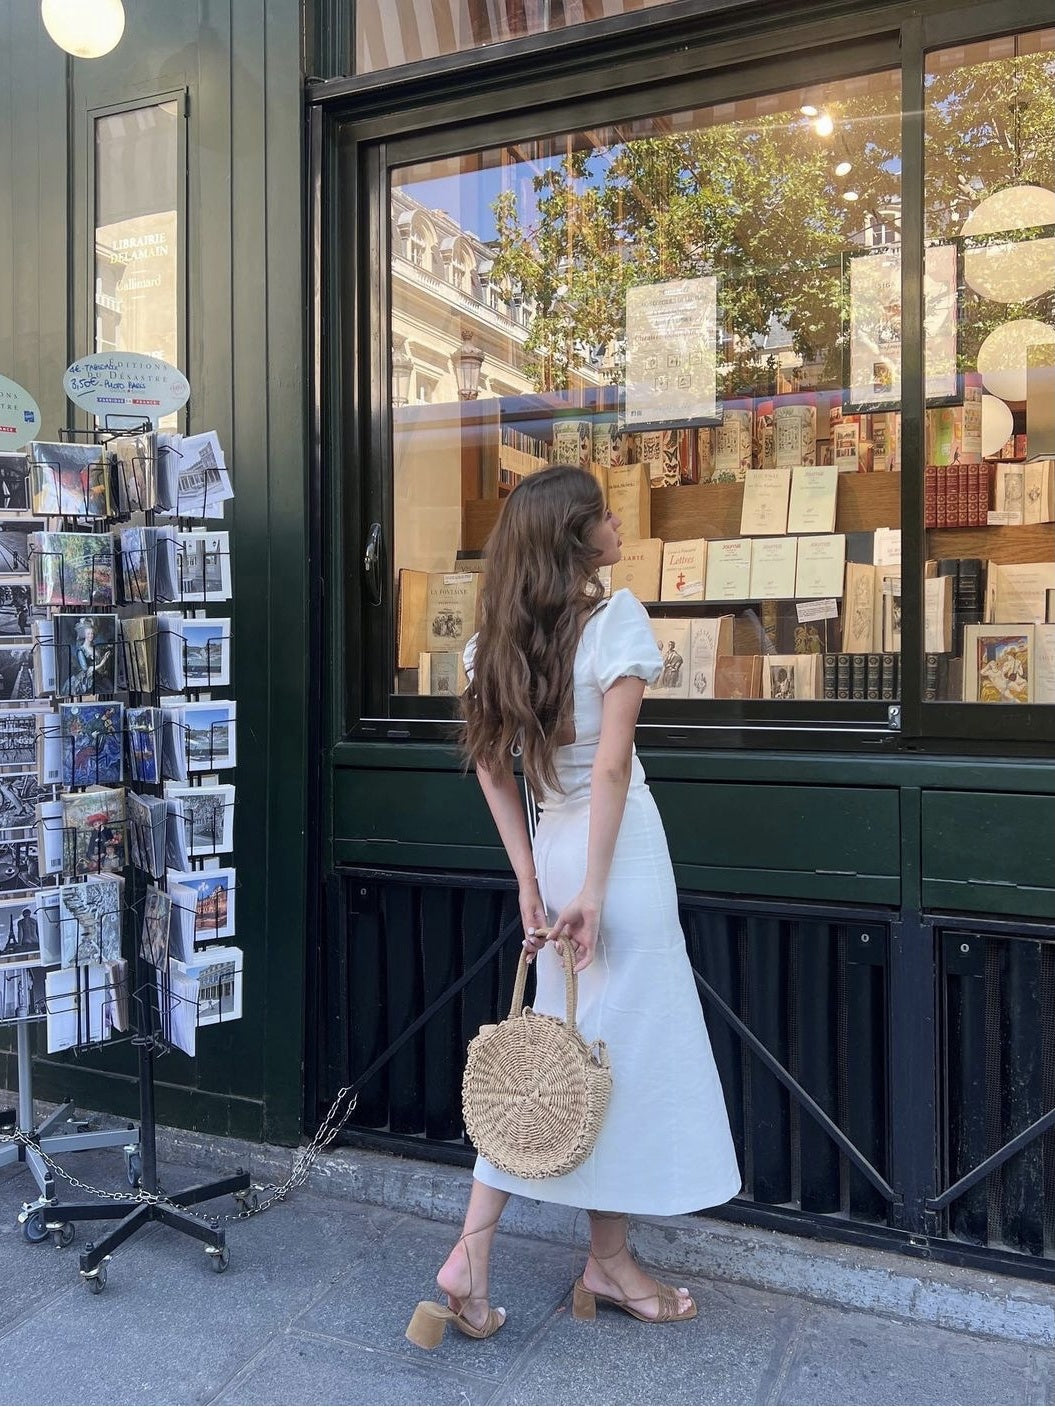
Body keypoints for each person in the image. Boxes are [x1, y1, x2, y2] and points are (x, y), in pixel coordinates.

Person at [406, 465, 740, 1347]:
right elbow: (611, 770)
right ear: (573, 537)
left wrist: (530, 879)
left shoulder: (495, 644)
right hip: (614, 853)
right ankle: (599, 1262)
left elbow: (490, 766)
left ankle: (486, 1257)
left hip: (555, 849)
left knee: (556, 1049)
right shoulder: (614, 621)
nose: (616, 521)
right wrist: (593, 888)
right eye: (600, 513)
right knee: (603, 1052)